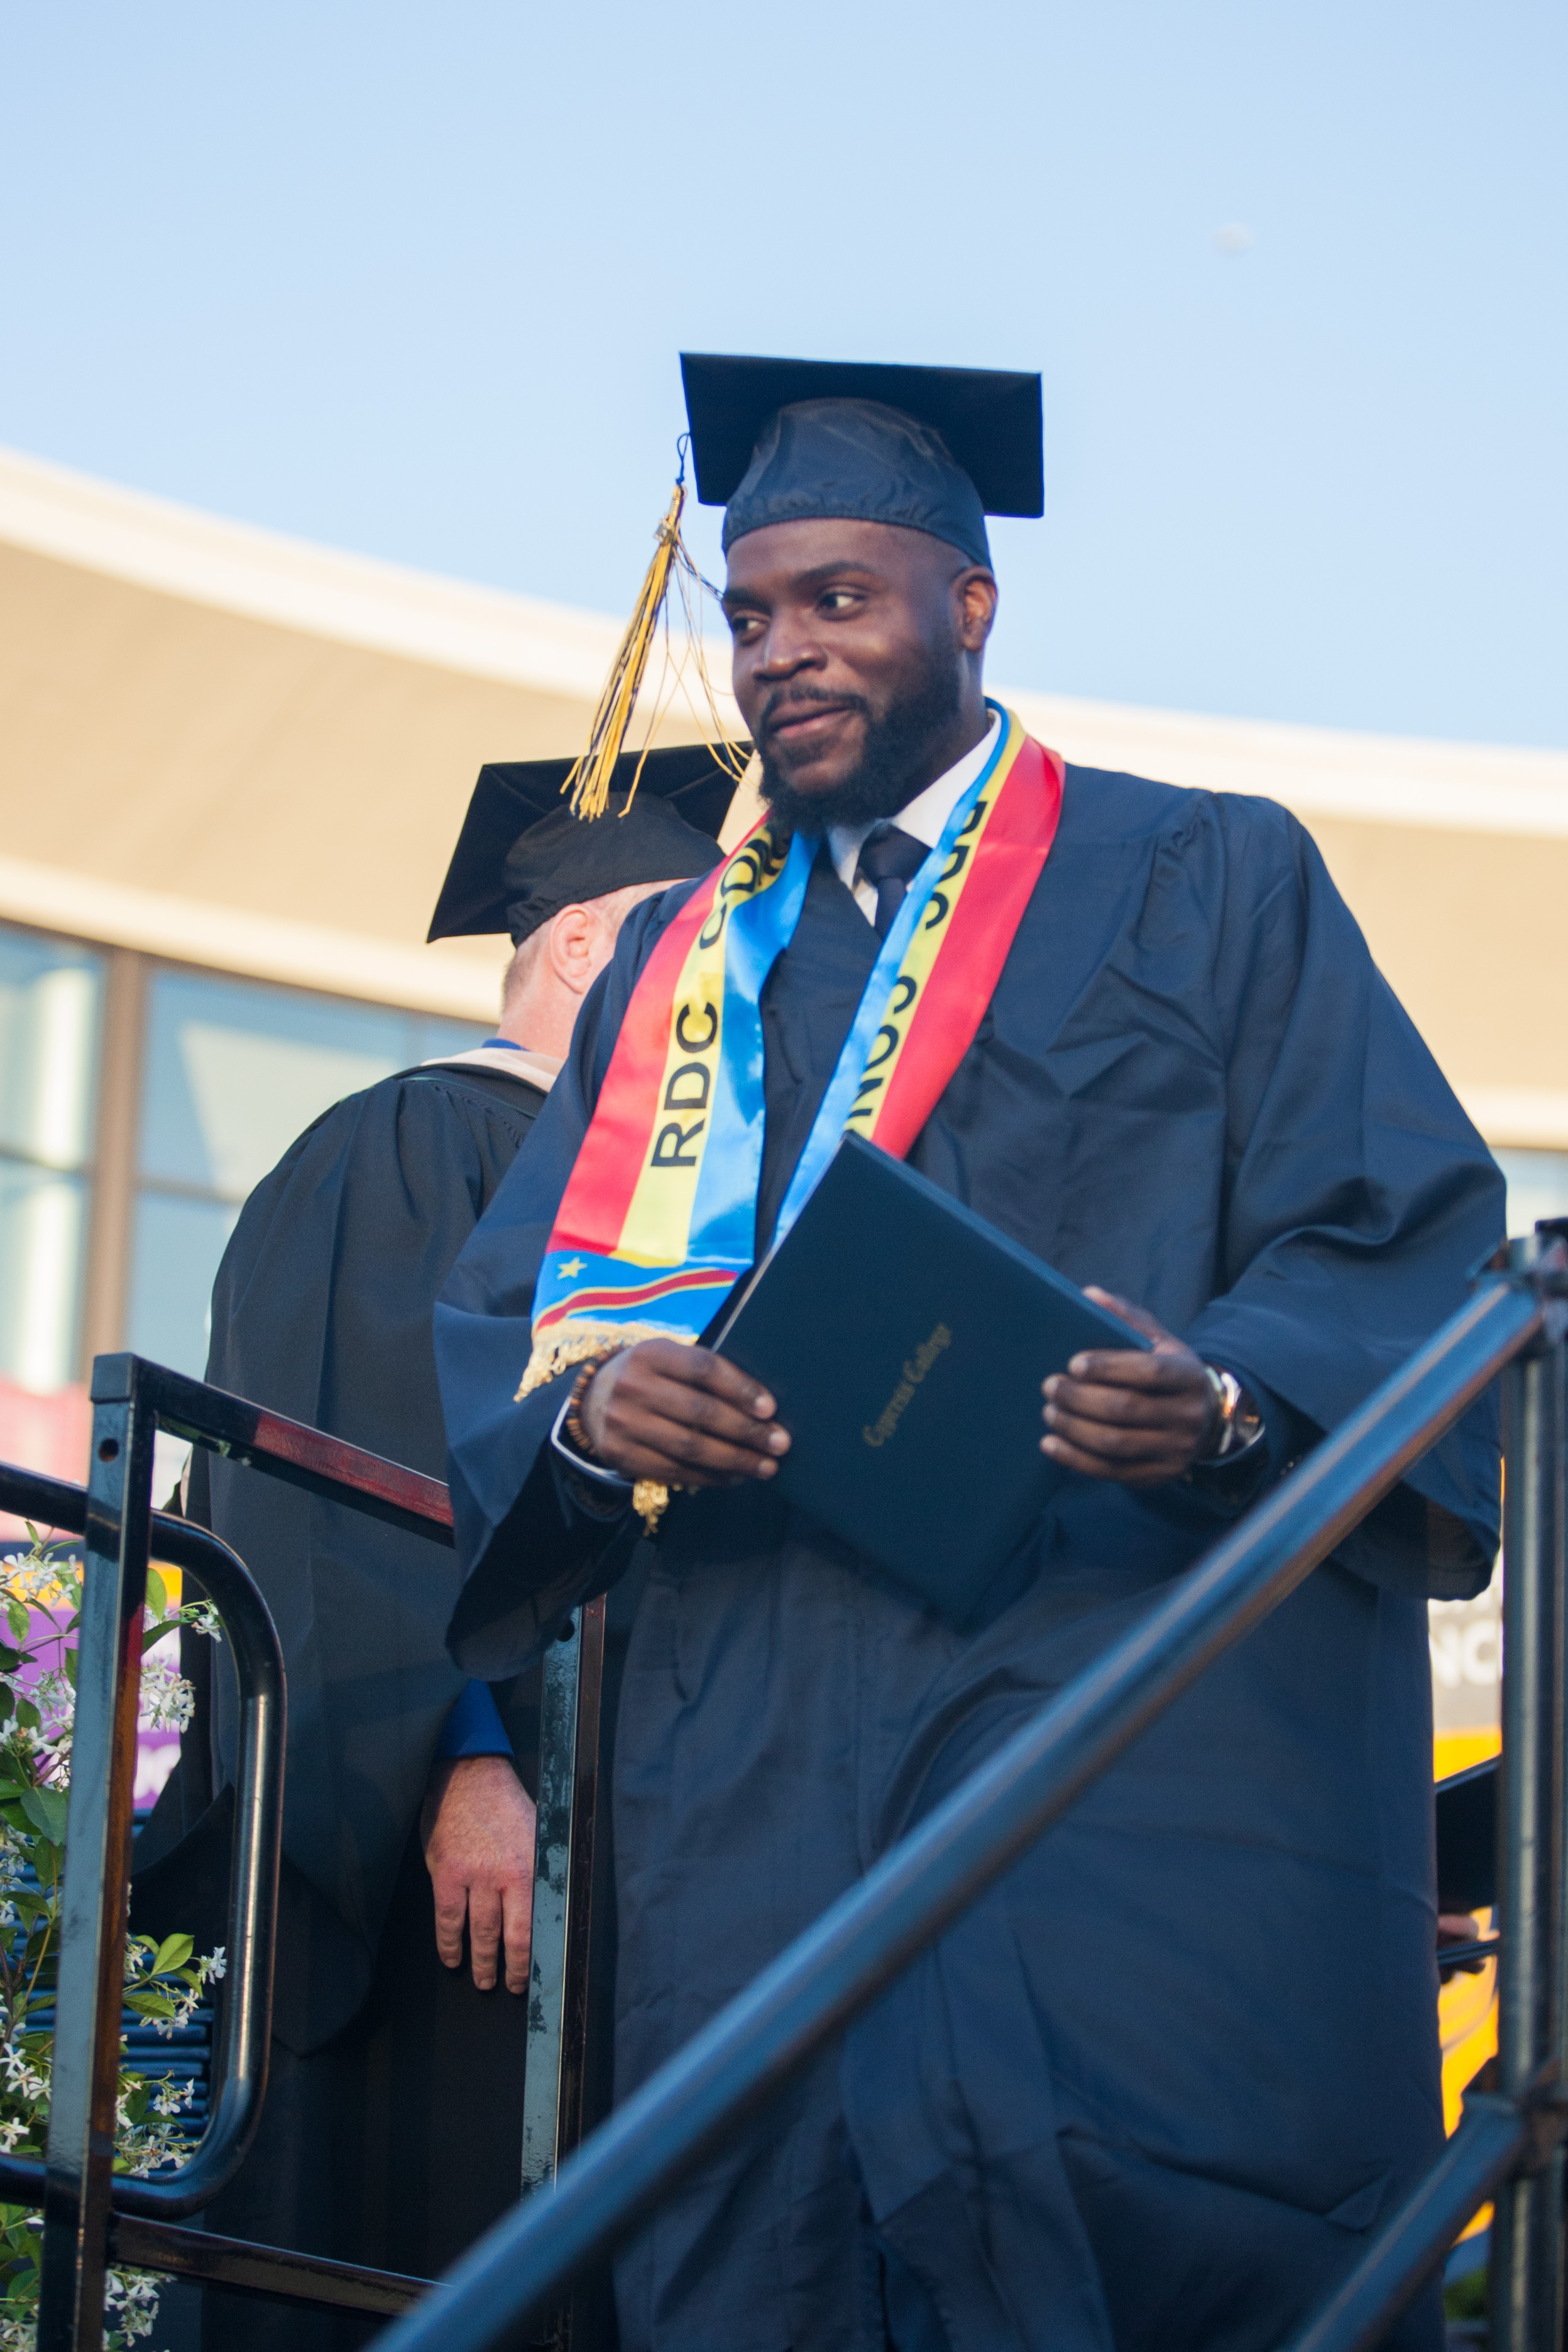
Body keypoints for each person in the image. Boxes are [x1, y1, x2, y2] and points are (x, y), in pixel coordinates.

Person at [433, 355, 1504, 2352]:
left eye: (839, 598)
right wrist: (591, 1413)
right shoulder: (680, 970)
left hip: (1105, 1703)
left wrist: (1225, 1395)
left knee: (1093, 2228)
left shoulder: (1207, 872)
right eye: (751, 613)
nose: (778, 654)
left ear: (971, 609)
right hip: (748, 1738)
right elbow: (515, 1314)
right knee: (756, 2247)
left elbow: (1400, 1236)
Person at [133, 743, 734, 2348]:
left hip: (606, 1868)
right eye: (703, 946)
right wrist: (461, 1759)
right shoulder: (408, 1145)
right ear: (591, 945)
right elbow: (334, 1484)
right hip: (444, 1863)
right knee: (406, 2247)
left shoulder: (647, 1226)